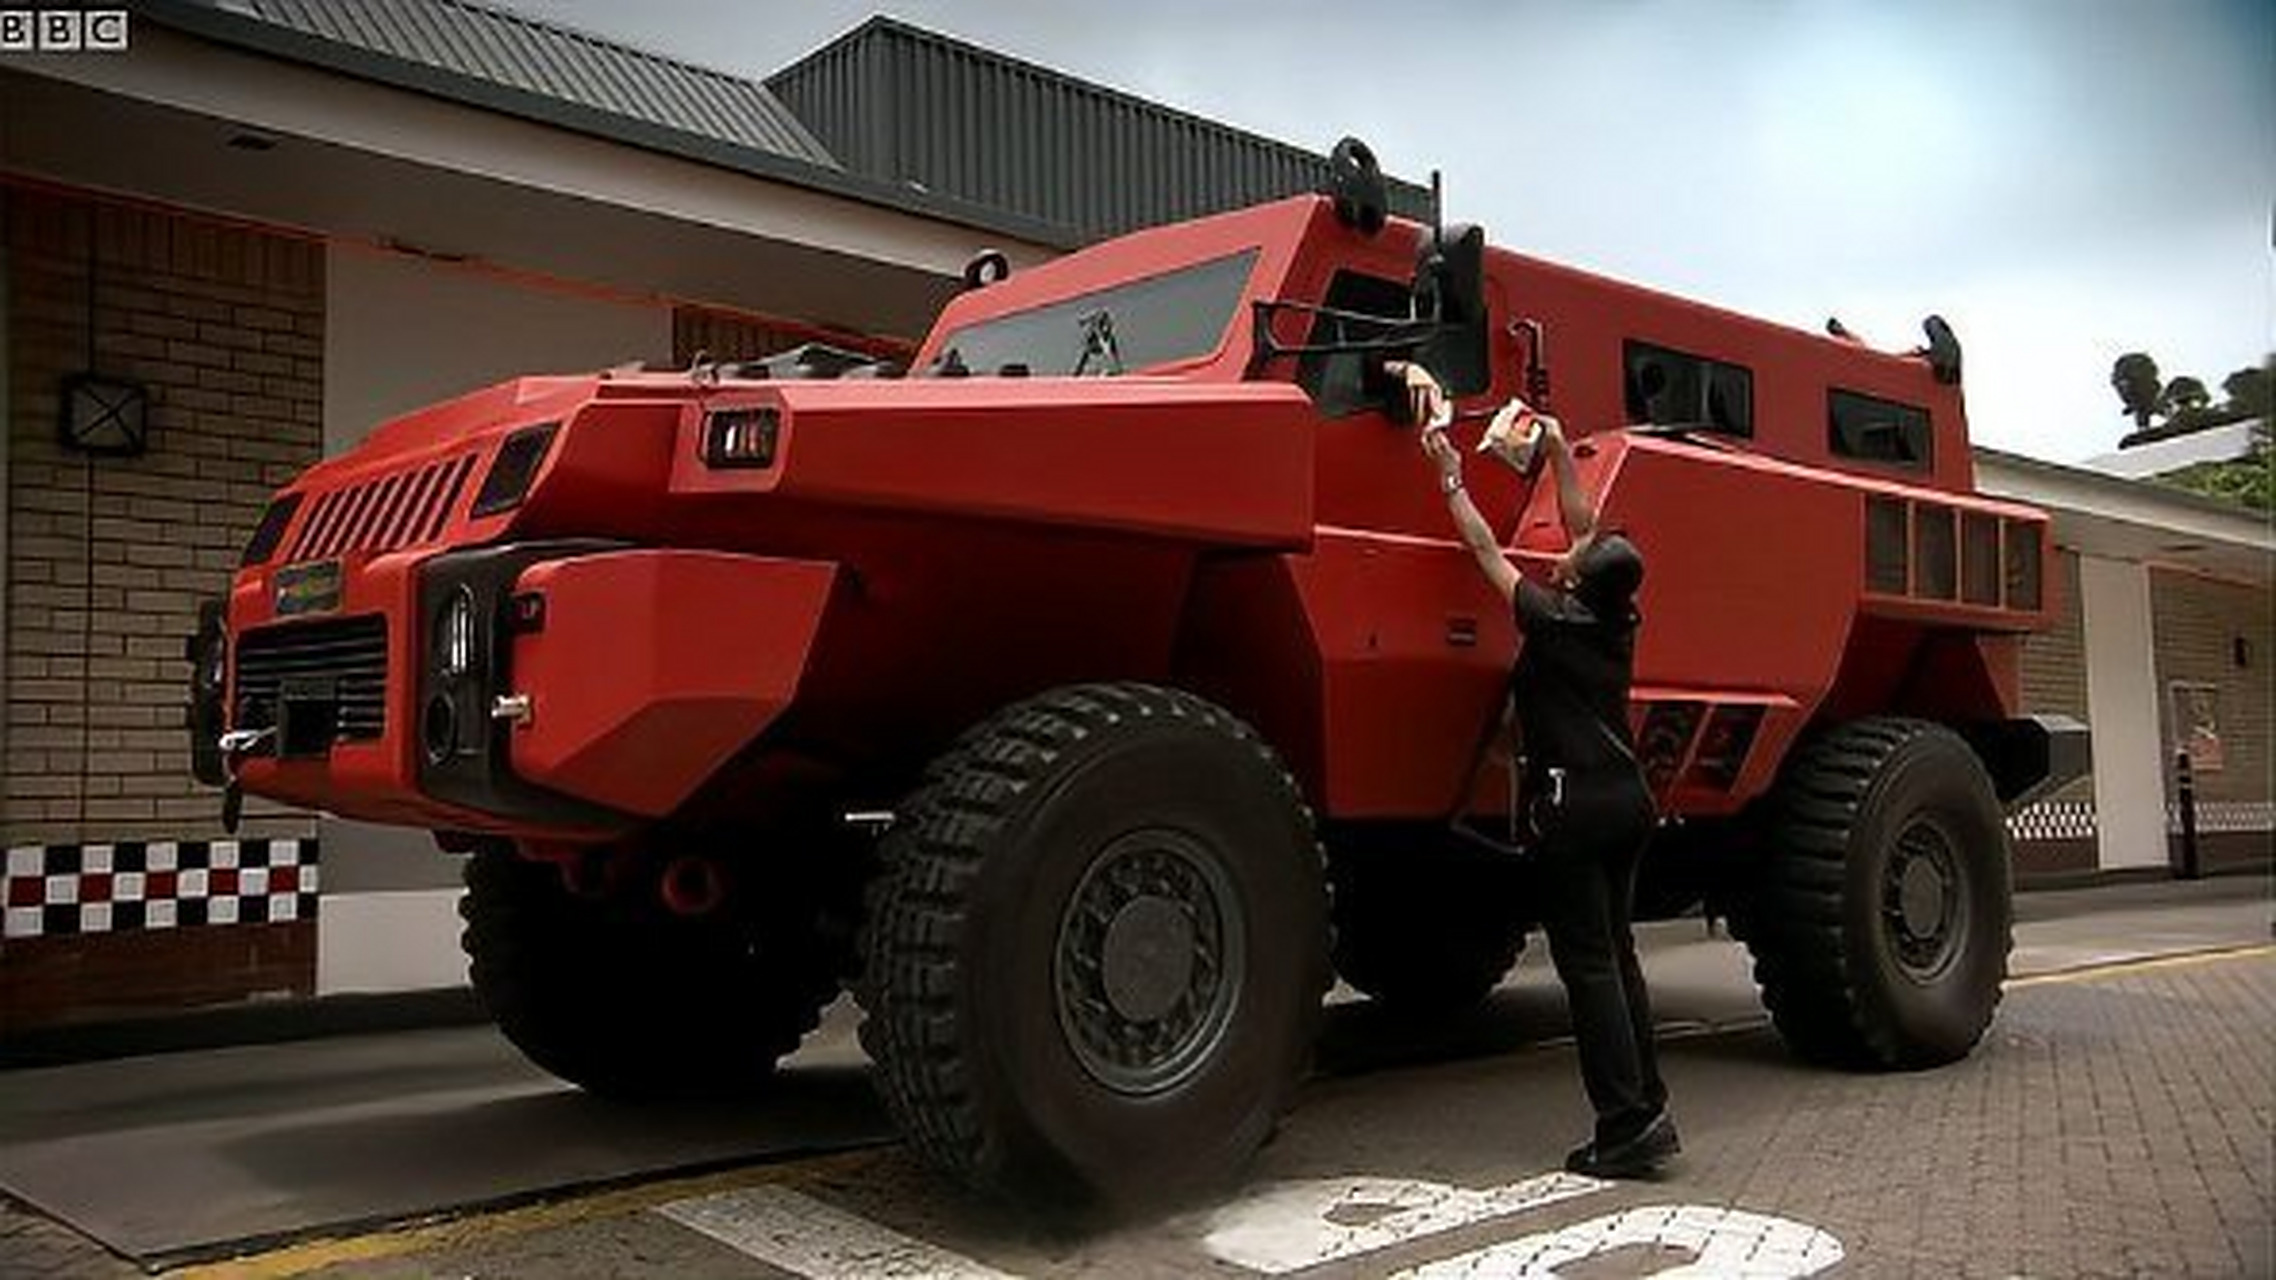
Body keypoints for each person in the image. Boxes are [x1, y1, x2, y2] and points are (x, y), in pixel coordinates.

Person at [1391, 359, 1679, 1180]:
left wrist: (1450, 478)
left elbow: (1485, 551)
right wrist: (1556, 451)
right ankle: (1649, 1107)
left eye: (1571, 560)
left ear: (1578, 582)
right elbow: (1590, 532)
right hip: (1627, 802)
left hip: (1576, 808)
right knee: (1619, 955)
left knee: (1588, 965)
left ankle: (1622, 1126)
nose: (1562, 556)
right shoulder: (1615, 618)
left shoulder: (1552, 619)